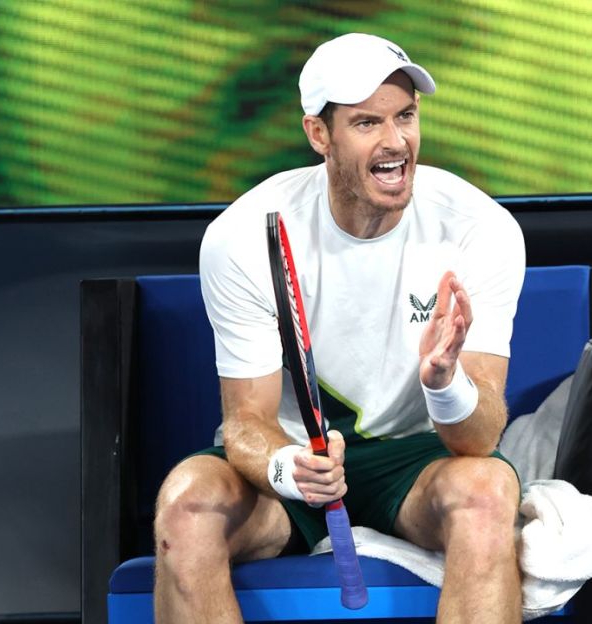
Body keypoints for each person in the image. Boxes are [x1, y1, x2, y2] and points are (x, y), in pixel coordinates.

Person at [151, 33, 526, 623]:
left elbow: (477, 441)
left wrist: (444, 381)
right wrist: (288, 469)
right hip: (299, 464)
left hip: (418, 459)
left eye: (406, 116)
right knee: (185, 505)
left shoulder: (480, 228)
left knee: (488, 493)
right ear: (318, 135)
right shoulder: (245, 235)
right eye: (367, 123)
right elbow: (246, 420)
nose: (396, 142)